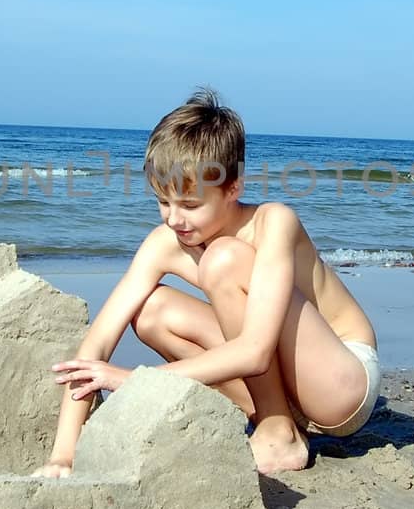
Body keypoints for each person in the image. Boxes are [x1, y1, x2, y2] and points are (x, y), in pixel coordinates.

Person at [31, 88, 380, 476]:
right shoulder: (164, 242)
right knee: (150, 312)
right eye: (164, 201)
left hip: (341, 381)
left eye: (191, 205)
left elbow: (255, 352)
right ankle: (277, 418)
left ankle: (278, 432)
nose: (174, 219)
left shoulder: (273, 222)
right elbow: (96, 344)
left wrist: (132, 380)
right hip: (280, 386)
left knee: (223, 259)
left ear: (233, 189)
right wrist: (64, 454)